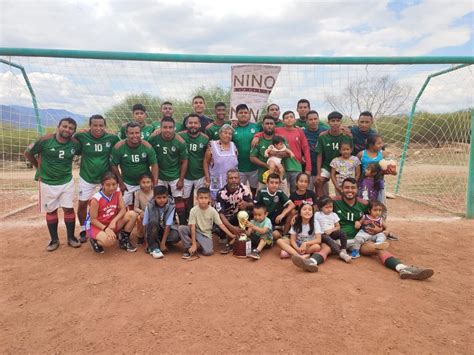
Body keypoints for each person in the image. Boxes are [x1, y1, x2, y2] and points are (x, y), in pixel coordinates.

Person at [292, 177, 434, 280]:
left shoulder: (364, 203)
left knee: (378, 248)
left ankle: (403, 269)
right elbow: (313, 209)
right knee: (326, 247)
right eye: (346, 187)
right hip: (337, 239)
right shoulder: (333, 201)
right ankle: (310, 263)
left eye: (353, 188)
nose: (349, 190)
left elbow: (379, 213)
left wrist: (381, 230)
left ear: (357, 190)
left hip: (358, 240)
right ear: (342, 188)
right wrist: (297, 215)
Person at [24, 117, 82, 251]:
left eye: (71, 128)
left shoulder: (75, 143)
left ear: (74, 131)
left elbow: (81, 151)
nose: (67, 130)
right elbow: (27, 153)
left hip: (66, 181)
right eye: (65, 126)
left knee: (68, 209)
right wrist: (37, 166)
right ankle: (54, 240)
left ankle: (71, 238)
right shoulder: (44, 140)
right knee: (51, 211)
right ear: (58, 126)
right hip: (47, 182)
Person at [75, 114, 120, 243]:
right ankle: (84, 229)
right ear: (90, 126)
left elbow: (122, 145)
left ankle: (109, 227)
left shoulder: (112, 138)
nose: (98, 128)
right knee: (83, 203)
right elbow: (70, 140)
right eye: (95, 125)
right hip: (87, 176)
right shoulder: (81, 136)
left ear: (105, 126)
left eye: (101, 125)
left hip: (105, 179)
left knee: (109, 204)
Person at [253, 110, 312, 192]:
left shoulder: (299, 131)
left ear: (295, 119)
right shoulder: (278, 130)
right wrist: (257, 135)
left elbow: (305, 148)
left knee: (296, 191)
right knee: (280, 189)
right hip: (281, 166)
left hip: (295, 165)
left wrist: (308, 168)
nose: (289, 119)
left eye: (291, 117)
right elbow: (266, 131)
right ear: (283, 121)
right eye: (286, 118)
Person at [148, 117, 188, 223]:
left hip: (174, 175)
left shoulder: (180, 142)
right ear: (160, 128)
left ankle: (183, 223)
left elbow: (184, 161)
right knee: (160, 199)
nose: (167, 130)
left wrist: (181, 179)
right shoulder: (153, 138)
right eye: (165, 127)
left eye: (170, 127)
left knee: (178, 198)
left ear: (174, 128)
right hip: (159, 175)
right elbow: (146, 150)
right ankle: (162, 222)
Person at [178, 187, 237, 259]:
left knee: (208, 252)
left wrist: (231, 235)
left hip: (206, 234)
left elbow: (221, 224)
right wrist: (193, 243)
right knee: (181, 228)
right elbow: (192, 227)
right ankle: (188, 248)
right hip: (195, 230)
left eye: (206, 198)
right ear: (197, 198)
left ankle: (198, 245)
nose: (203, 200)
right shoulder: (193, 210)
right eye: (201, 198)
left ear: (209, 199)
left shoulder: (212, 211)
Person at [87, 172, 138, 253]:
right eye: (108, 185)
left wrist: (114, 221)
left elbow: (123, 209)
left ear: (117, 184)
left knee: (132, 214)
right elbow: (93, 220)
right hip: (95, 226)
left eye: (114, 184)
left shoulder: (117, 192)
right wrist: (106, 229)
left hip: (110, 223)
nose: (111, 187)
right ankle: (94, 240)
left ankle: (123, 240)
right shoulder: (96, 199)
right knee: (109, 241)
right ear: (102, 185)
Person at [110, 122, 158, 207]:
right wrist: (120, 182)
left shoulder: (147, 147)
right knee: (121, 206)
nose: (135, 136)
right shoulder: (118, 147)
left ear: (140, 133)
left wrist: (154, 183)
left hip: (144, 182)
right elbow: (114, 165)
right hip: (127, 181)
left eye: (137, 133)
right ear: (126, 134)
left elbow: (154, 165)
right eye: (131, 133)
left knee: (148, 206)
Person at [215, 169, 254, 254]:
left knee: (248, 212)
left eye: (236, 178)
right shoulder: (221, 193)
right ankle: (227, 235)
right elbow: (220, 214)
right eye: (231, 178)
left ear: (239, 179)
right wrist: (231, 228)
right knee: (216, 228)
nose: (234, 180)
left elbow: (252, 204)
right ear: (226, 180)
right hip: (227, 219)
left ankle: (239, 237)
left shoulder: (244, 189)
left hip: (238, 217)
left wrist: (246, 204)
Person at [315, 111, 352, 197]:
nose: (335, 123)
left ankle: (343, 204)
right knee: (318, 182)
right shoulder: (323, 136)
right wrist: (318, 173)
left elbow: (350, 153)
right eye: (333, 121)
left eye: (337, 120)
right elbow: (319, 155)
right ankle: (323, 203)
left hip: (342, 165)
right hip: (327, 166)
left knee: (344, 187)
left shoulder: (346, 136)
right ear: (328, 122)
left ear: (341, 122)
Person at [178, 113, 209, 217]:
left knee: (203, 198)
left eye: (195, 123)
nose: (193, 125)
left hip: (200, 174)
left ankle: (202, 217)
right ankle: (187, 218)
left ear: (200, 125)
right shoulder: (179, 136)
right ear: (186, 124)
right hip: (185, 175)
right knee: (185, 199)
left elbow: (208, 157)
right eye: (190, 123)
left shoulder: (205, 138)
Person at [249, 115, 290, 193]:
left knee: (284, 203)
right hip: (264, 178)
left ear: (274, 125)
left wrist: (273, 153)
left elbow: (287, 154)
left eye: (271, 124)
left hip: (280, 178)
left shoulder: (281, 138)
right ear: (263, 125)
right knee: (262, 203)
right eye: (267, 123)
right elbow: (252, 158)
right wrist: (266, 165)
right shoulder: (258, 140)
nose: (269, 126)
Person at [142, 185, 181, 259]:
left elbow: (168, 225)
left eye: (164, 197)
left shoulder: (171, 205)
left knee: (176, 235)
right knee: (153, 222)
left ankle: (160, 243)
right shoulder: (149, 206)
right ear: (154, 198)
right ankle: (154, 247)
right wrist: (146, 242)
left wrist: (163, 243)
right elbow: (145, 224)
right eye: (159, 198)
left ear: (167, 197)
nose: (162, 200)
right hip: (153, 229)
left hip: (164, 230)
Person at [254, 173, 295, 239]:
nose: (274, 185)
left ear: (279, 184)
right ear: (267, 184)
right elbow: (255, 207)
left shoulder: (280, 193)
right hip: (265, 219)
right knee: (275, 235)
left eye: (276, 183)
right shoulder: (261, 192)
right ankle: (274, 231)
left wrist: (282, 214)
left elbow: (292, 205)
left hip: (276, 218)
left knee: (292, 211)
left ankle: (284, 234)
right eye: (272, 182)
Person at [357, 134, 396, 204]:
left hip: (378, 183)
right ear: (371, 145)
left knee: (379, 202)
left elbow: (394, 171)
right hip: (364, 183)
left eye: (382, 143)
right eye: (379, 143)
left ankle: (380, 214)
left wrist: (391, 172)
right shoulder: (361, 154)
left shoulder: (383, 154)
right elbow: (357, 170)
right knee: (364, 200)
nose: (382, 145)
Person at [203, 124, 239, 200]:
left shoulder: (233, 145)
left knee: (230, 200)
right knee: (217, 200)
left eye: (230, 134)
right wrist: (207, 178)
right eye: (225, 133)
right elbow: (206, 162)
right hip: (216, 179)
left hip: (231, 180)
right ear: (220, 134)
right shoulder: (212, 145)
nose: (228, 135)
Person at [232, 104, 261, 196]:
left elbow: (268, 131)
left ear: (249, 114)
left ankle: (252, 205)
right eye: (241, 113)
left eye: (245, 112)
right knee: (239, 191)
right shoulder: (232, 128)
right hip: (239, 167)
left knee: (254, 190)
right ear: (236, 115)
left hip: (254, 167)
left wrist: (257, 135)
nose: (243, 114)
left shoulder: (257, 127)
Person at [314, 196, 352, 263]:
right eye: (326, 207)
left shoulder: (334, 215)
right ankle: (341, 254)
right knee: (329, 239)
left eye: (331, 207)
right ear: (321, 207)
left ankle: (344, 249)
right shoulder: (317, 214)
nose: (329, 209)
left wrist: (331, 230)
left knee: (342, 233)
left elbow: (338, 227)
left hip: (331, 233)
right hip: (322, 235)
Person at [304, 110, 328, 192]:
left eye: (315, 119)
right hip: (308, 169)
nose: (313, 121)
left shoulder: (325, 131)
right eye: (310, 119)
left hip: (322, 170)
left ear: (318, 119)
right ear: (306, 121)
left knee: (323, 196)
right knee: (307, 195)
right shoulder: (303, 133)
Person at [133, 173, 154, 245]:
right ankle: (141, 236)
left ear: (152, 183)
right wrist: (141, 211)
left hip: (154, 212)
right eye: (143, 182)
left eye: (148, 182)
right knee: (139, 218)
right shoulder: (138, 193)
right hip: (144, 213)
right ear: (140, 183)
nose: (146, 184)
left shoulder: (155, 192)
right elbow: (135, 207)